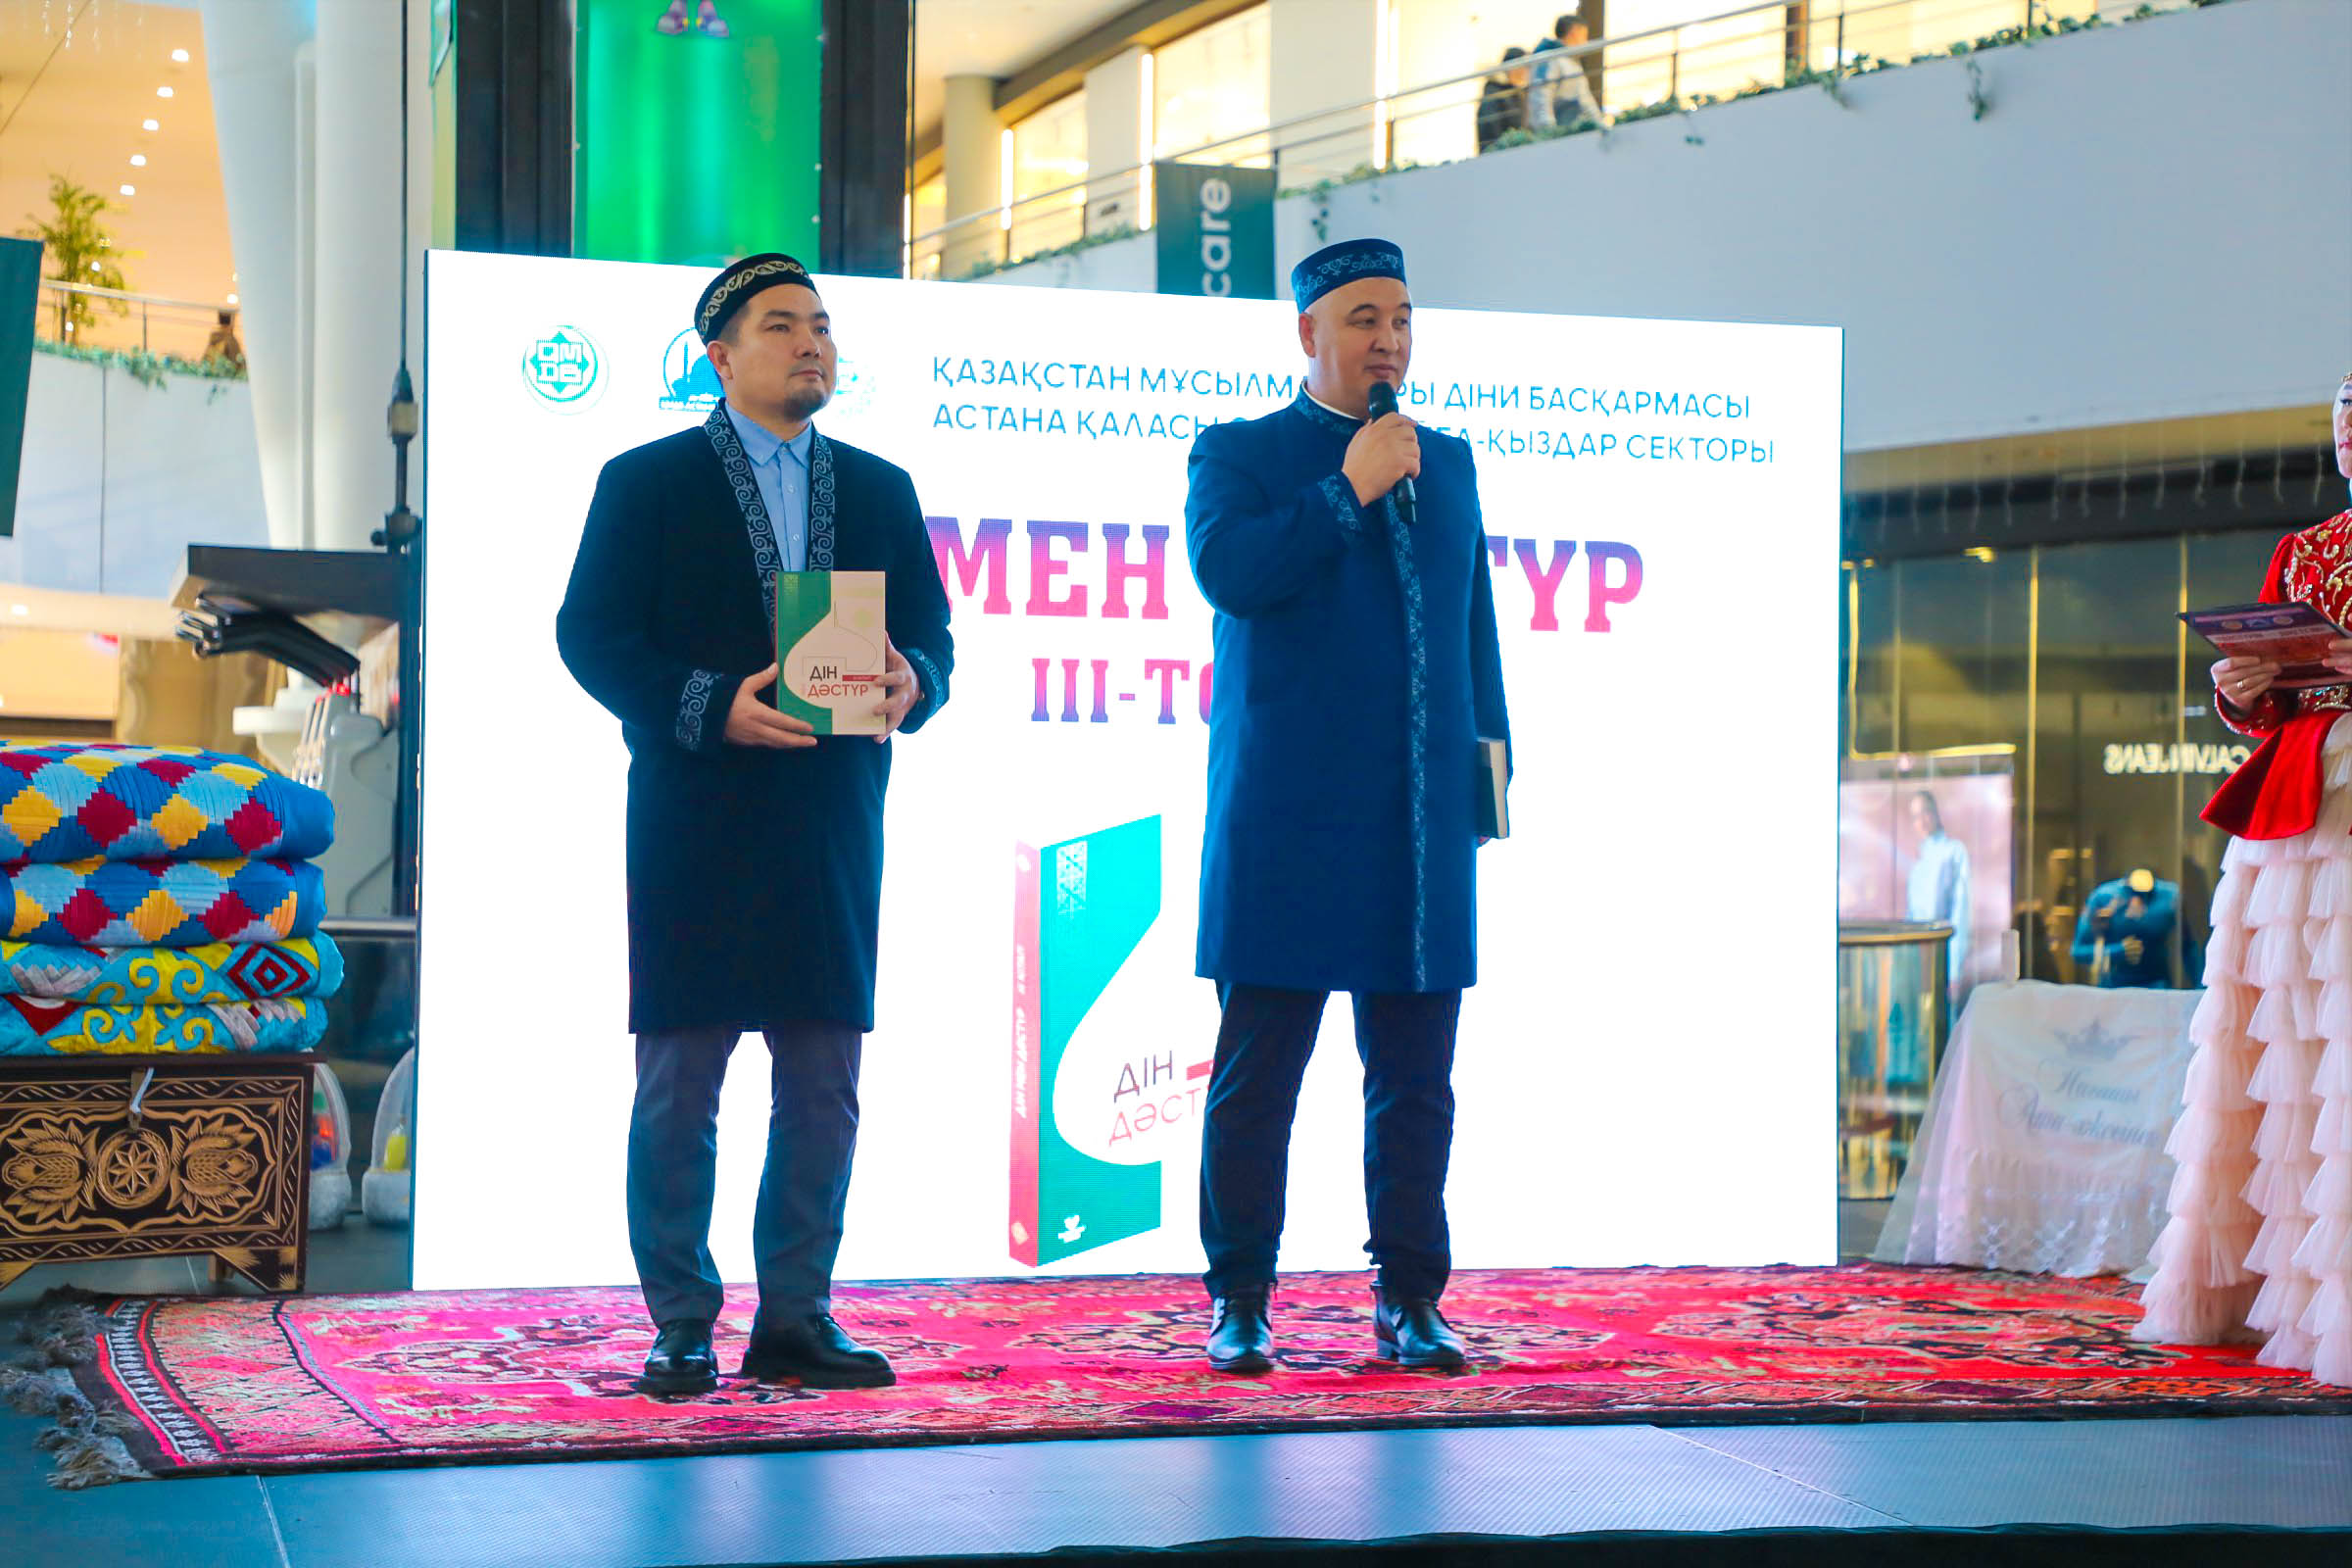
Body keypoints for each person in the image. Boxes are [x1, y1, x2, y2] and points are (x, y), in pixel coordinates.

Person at [556, 253, 954, 1396]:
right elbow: (591, 635)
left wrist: (912, 680)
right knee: (680, 1080)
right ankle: (681, 1320)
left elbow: (934, 639)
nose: (812, 342)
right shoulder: (647, 481)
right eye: (783, 325)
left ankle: (796, 1317)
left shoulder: (879, 486)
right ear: (719, 357)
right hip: (696, 811)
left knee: (823, 1078)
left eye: (822, 324)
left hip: (831, 817)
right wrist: (708, 704)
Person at [1184, 237, 1511, 1374]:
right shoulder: (1240, 452)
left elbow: (1474, 626)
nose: (1389, 340)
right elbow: (1232, 574)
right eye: (1365, 318)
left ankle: (1411, 1297)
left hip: (1418, 822)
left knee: (1417, 1080)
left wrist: (1488, 778)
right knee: (1258, 1076)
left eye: (1403, 319)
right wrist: (1347, 488)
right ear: (1308, 334)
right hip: (1286, 814)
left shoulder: (1448, 461)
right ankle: (1240, 1298)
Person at [2137, 369, 2352, 1386]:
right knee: (2291, 1039)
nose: (2350, 428)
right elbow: (2264, 705)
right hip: (2300, 806)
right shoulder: (2304, 549)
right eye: (2343, 409)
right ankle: (2289, 1288)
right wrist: (2242, 686)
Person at [1904, 789, 1971, 994]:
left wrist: (1954, 972)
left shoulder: (1954, 851)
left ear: (1935, 813)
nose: (1921, 821)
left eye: (1925, 812)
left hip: (1942, 954)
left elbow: (1960, 913)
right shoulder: (1918, 863)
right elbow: (1911, 916)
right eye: (1915, 816)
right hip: (1916, 958)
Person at [2070, 869, 2178, 988]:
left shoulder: (2170, 896)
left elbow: (2188, 947)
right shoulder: (2103, 896)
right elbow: (2077, 952)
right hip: (2113, 988)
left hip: (2157, 988)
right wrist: (2116, 951)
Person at [1528, 13, 1603, 132]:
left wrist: (1599, 123)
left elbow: (1585, 99)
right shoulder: (1550, 59)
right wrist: (1548, 130)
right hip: (1559, 130)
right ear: (1574, 33)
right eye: (1584, 36)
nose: (1585, 42)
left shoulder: (1570, 61)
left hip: (1567, 129)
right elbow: (1542, 95)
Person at [1476, 46, 1531, 153]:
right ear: (1513, 67)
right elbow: (1490, 130)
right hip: (1502, 153)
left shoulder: (1516, 91)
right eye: (1525, 66)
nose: (1527, 71)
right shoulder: (1496, 93)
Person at [202, 309, 245, 373]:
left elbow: (206, 360)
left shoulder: (214, 339)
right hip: (226, 375)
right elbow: (237, 363)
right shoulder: (231, 340)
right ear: (231, 321)